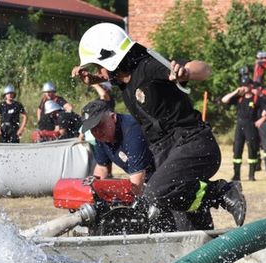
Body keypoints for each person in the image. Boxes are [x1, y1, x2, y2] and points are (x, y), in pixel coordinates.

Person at [71, 22, 246, 231]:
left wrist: (186, 73)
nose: (97, 71)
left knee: (155, 193)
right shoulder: (124, 81)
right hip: (166, 155)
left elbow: (204, 69)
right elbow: (110, 78)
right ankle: (205, 257)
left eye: (97, 66)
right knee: (186, 233)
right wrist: (95, 79)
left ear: (110, 60)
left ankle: (221, 192)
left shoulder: (149, 67)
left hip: (192, 144)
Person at [221, 76, 260, 181]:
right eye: (243, 85)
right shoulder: (239, 98)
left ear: (251, 86)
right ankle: (236, 174)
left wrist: (260, 120)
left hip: (251, 125)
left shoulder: (256, 98)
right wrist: (235, 92)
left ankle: (251, 175)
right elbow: (224, 100)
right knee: (237, 150)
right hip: (240, 125)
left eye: (246, 85)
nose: (244, 87)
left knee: (252, 149)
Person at [253, 81, 266, 172]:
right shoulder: (252, 99)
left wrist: (261, 120)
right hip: (253, 124)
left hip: (263, 123)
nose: (252, 90)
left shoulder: (265, 98)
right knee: (255, 144)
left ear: (259, 89)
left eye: (254, 88)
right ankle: (257, 165)